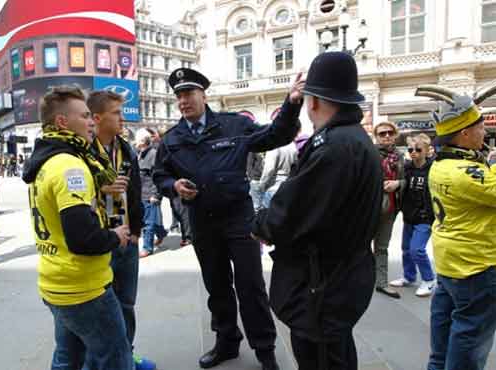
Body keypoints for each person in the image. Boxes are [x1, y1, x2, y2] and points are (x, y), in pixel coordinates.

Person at [153, 67, 302, 370]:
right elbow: (160, 175)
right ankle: (226, 343)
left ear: (203, 95)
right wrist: (174, 186)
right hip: (202, 222)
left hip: (239, 220)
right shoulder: (171, 139)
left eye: (189, 93)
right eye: (179, 96)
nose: (184, 101)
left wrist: (292, 103)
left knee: (251, 286)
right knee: (217, 287)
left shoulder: (234, 125)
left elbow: (277, 134)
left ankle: (265, 349)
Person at [251, 51, 382, 370]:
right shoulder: (352, 138)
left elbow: (292, 212)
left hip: (322, 285)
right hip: (338, 280)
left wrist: (261, 225)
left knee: (320, 357)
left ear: (313, 102)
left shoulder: (334, 146)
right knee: (335, 351)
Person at [21, 86, 132, 370]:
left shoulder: (46, 162)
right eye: (84, 116)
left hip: (57, 283)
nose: (91, 122)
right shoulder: (71, 166)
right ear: (62, 122)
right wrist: (115, 235)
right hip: (84, 287)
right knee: (116, 360)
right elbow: (83, 238)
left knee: (68, 358)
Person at [414, 84, 496, 370]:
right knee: (470, 342)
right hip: (476, 266)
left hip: (451, 264)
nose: (484, 133)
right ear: (464, 133)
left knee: (442, 343)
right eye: (481, 127)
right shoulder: (466, 173)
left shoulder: (442, 164)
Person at [87, 90, 156, 370]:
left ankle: (126, 356)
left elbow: (135, 190)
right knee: (100, 314)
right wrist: (99, 188)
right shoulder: (83, 152)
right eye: (116, 113)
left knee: (126, 305)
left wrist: (137, 231)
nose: (122, 118)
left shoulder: (125, 148)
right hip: (100, 243)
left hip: (126, 239)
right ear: (97, 117)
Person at [389, 133, 436, 297]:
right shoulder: (406, 168)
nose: (414, 152)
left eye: (418, 149)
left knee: (417, 250)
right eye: (411, 149)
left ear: (427, 151)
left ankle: (429, 280)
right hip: (409, 215)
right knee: (406, 250)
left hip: (425, 217)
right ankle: (409, 277)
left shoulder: (434, 168)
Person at [372, 121, 405, 299]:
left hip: (390, 208)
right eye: (382, 133)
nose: (386, 136)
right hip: (369, 208)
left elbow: (406, 178)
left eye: (389, 133)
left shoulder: (400, 156)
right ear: (376, 137)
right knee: (359, 246)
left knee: (382, 247)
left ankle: (381, 283)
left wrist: (398, 183)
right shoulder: (369, 153)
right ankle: (357, 280)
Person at [135, 128, 166, 258]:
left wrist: (156, 195)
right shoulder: (140, 154)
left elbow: (158, 176)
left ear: (143, 141)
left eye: (137, 140)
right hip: (141, 193)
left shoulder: (153, 154)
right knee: (149, 220)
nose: (135, 143)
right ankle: (161, 233)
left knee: (148, 222)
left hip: (150, 195)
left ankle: (147, 248)